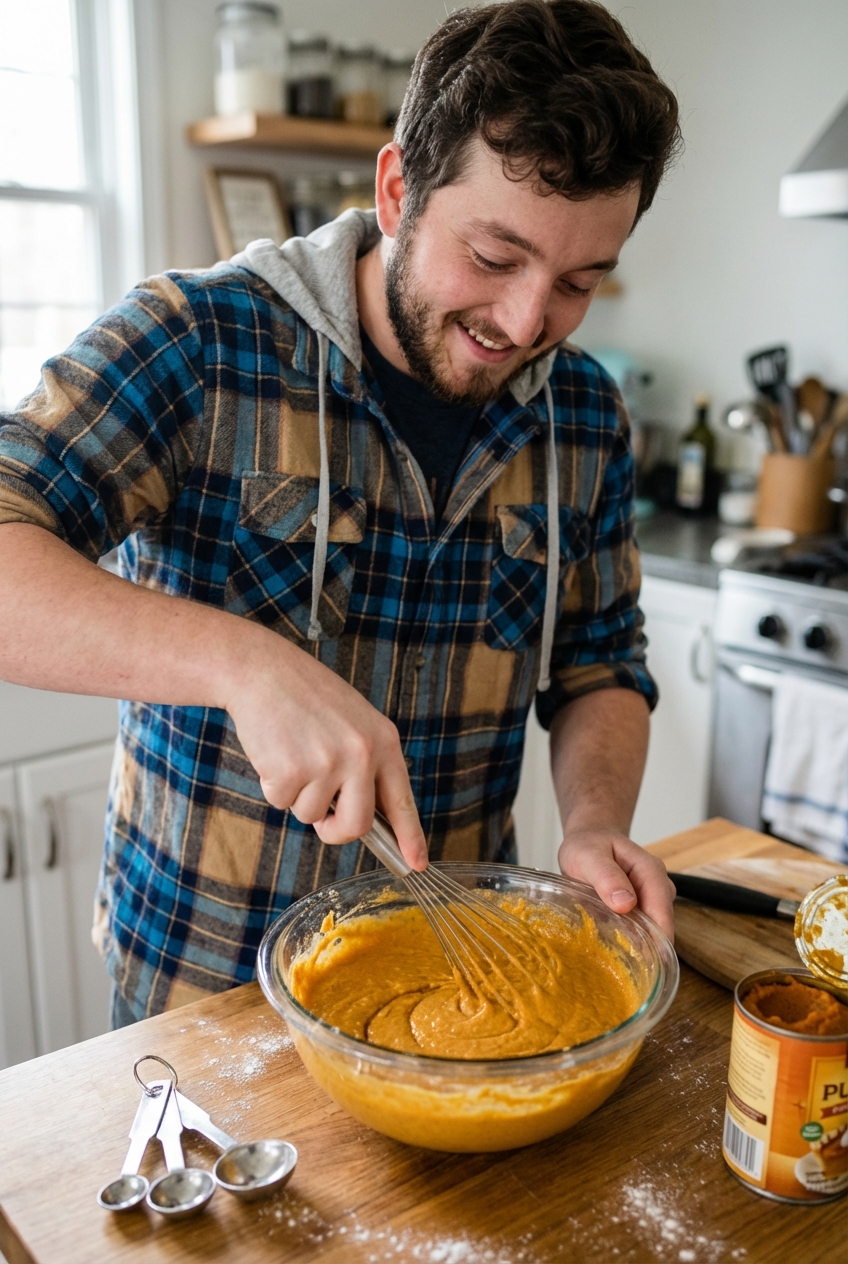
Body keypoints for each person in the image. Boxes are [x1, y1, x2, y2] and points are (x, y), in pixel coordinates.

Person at [0, 0, 680, 1026]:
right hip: (200, 990)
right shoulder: (200, 342)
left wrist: (592, 822)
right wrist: (242, 662)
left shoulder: (581, 415)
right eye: (493, 258)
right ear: (397, 189)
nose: (525, 321)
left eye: (579, 281)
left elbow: (600, 660)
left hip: (456, 984)